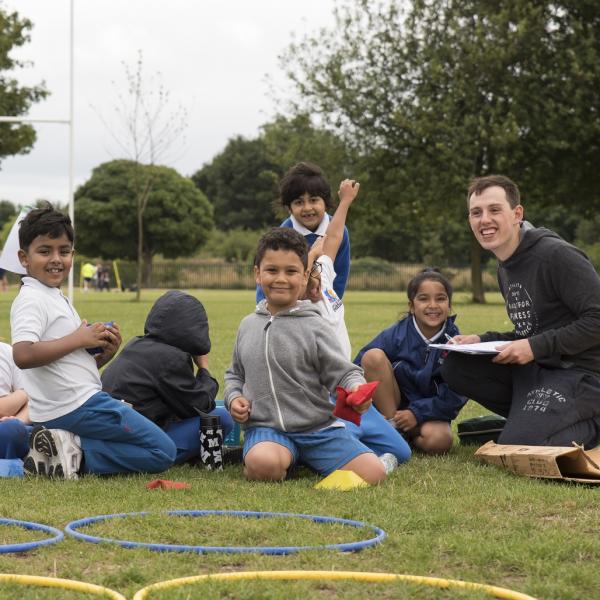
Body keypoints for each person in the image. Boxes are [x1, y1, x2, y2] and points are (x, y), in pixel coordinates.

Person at [11, 205, 176, 479]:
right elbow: (24, 355)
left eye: (64, 251)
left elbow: (61, 366)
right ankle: (73, 453)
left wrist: (100, 356)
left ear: (73, 254)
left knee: (139, 439)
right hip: (77, 407)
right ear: (23, 257)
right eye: (45, 251)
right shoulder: (32, 299)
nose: (56, 259)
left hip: (65, 408)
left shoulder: (51, 294)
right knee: (162, 451)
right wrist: (78, 338)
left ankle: (61, 443)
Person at [441, 175, 600, 449]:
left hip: (582, 372)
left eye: (494, 210)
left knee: (523, 443)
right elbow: (533, 329)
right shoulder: (505, 266)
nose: (484, 220)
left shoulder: (556, 255)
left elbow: (596, 319)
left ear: (517, 214)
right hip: (543, 366)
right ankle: (533, 418)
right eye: (476, 213)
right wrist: (483, 339)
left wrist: (535, 347)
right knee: (457, 367)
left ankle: (560, 422)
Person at [225, 227, 386, 484]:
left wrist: (357, 388)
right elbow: (234, 374)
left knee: (373, 474)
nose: (281, 279)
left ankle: (316, 455)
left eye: (291, 272)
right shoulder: (247, 325)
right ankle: (284, 456)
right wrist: (234, 398)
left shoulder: (315, 325)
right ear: (257, 274)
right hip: (267, 429)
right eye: (272, 270)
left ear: (304, 277)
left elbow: (344, 372)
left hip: (318, 429)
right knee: (264, 467)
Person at [305, 179, 411, 467]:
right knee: (348, 443)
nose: (312, 277)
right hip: (324, 398)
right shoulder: (294, 306)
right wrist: (311, 254)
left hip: (350, 390)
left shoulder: (323, 276)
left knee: (402, 453)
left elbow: (335, 236)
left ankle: (353, 448)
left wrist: (345, 201)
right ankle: (329, 447)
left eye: (313, 268)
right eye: (305, 271)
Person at [102, 290, 234, 464]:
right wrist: (203, 368)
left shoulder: (137, 343)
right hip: (135, 442)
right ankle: (182, 455)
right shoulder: (170, 358)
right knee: (222, 418)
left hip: (112, 432)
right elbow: (201, 405)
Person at [354, 269, 467, 454]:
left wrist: (417, 413)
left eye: (440, 299)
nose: (433, 305)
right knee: (373, 356)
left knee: (440, 441)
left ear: (449, 305)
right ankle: (391, 430)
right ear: (412, 306)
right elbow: (358, 366)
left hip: (429, 414)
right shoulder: (395, 334)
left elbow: (457, 394)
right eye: (423, 299)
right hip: (392, 407)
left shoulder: (456, 342)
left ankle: (399, 435)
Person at [256, 162, 350, 303]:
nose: (307, 208)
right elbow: (268, 277)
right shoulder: (283, 235)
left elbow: (340, 276)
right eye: (299, 202)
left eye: (313, 200)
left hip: (323, 308)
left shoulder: (338, 230)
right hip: (288, 307)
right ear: (289, 208)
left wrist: (330, 307)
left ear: (325, 202)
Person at [0, 341, 30, 460]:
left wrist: (19, 421)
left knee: (11, 429)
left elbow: (34, 401)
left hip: (6, 429)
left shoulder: (6, 352)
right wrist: (24, 393)